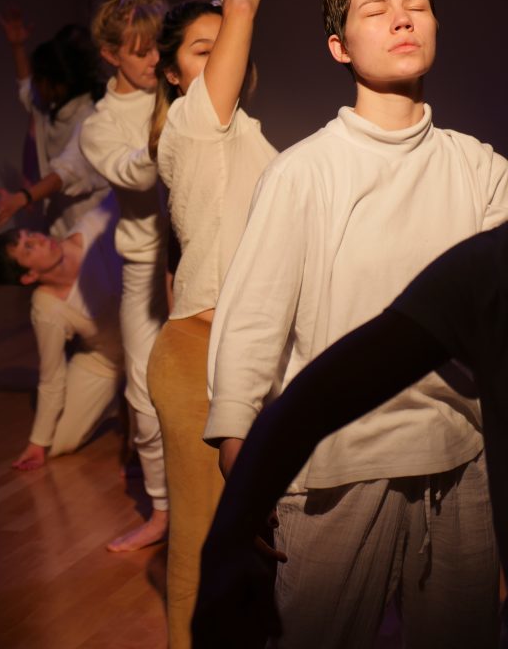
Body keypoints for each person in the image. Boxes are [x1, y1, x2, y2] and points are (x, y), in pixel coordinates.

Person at [203, 0, 508, 647]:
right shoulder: (305, 173)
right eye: (378, 10)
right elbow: (253, 317)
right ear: (339, 45)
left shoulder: (480, 167)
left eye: (418, 6)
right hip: (339, 466)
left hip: (461, 460)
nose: (404, 21)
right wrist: (241, 461)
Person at [193, 221, 508, 649]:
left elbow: (313, 400)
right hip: (342, 463)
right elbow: (309, 388)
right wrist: (231, 529)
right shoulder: (491, 264)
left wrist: (228, 543)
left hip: (457, 450)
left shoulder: (485, 197)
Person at [145, 0, 275, 649]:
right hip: (201, 356)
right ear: (171, 74)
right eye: (203, 47)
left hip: (250, 353)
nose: (223, 47)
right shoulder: (194, 125)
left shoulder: (240, 132)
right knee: (201, 542)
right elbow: (243, 16)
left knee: (256, 538)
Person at [79, 0, 171, 551]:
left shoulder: (172, 81)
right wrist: (174, 123)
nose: (154, 58)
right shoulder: (99, 126)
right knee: (143, 388)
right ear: (112, 54)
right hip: (145, 266)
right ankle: (162, 511)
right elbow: (138, 170)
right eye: (140, 52)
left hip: (199, 256)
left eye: (159, 45)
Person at [0, 199, 124, 470]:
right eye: (28, 248)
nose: (38, 239)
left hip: (150, 345)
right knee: (60, 442)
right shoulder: (46, 306)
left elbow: (120, 196)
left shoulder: (94, 227)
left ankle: (128, 401)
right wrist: (37, 442)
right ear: (28, 276)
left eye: (30, 236)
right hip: (106, 358)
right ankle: (115, 398)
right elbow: (52, 375)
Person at [0, 14, 111, 237]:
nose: (34, 84)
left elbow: (65, 172)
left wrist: (22, 197)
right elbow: (27, 92)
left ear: (57, 84)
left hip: (92, 227)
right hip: (60, 222)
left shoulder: (89, 118)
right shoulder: (53, 105)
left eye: (39, 79)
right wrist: (17, 46)